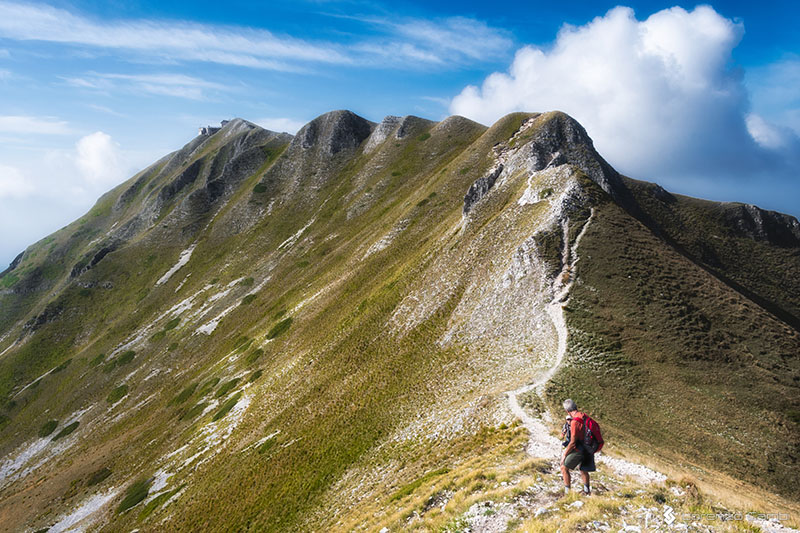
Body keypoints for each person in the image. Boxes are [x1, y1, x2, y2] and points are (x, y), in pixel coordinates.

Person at [560, 398, 595, 495]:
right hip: (589, 447)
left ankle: (567, 493)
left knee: (564, 467)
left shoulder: (575, 421)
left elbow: (573, 442)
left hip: (580, 449)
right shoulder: (583, 416)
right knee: (583, 469)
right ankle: (587, 491)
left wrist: (564, 455)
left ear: (567, 411)